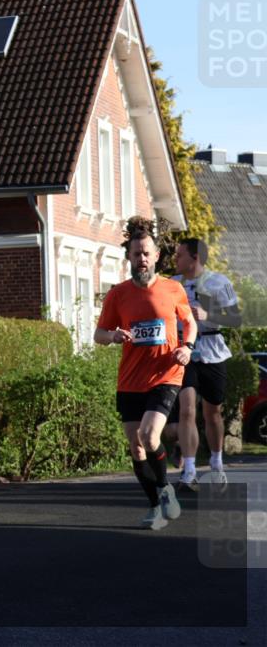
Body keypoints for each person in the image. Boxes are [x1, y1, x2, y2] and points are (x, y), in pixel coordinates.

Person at [95, 226, 196, 530]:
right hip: (130, 380)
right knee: (136, 447)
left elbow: (189, 322)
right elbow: (98, 334)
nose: (142, 259)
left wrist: (187, 348)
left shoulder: (173, 289)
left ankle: (165, 488)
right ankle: (156, 505)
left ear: (156, 256)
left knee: (149, 436)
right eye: (136, 254)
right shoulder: (118, 294)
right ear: (129, 257)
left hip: (166, 373)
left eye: (146, 253)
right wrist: (113, 336)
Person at [165, 238, 242, 491]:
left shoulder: (220, 282)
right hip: (184, 351)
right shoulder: (172, 284)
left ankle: (217, 464)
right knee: (187, 410)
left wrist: (210, 316)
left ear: (195, 258)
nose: (176, 259)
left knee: (213, 413)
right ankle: (189, 470)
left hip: (212, 350)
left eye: (180, 255)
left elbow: (235, 318)